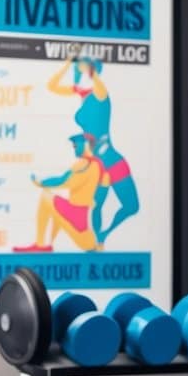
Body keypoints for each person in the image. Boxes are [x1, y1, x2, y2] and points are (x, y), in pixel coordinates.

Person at [46, 53, 140, 243]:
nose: (77, 73)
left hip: (111, 159)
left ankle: (104, 234)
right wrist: (67, 63)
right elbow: (52, 86)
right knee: (95, 207)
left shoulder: (101, 95)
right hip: (94, 163)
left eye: (80, 70)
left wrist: (88, 69)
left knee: (131, 206)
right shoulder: (82, 94)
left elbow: (98, 86)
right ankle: (98, 242)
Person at [13, 133, 107, 252]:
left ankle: (42, 245)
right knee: (91, 249)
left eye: (75, 145)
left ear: (86, 145)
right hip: (84, 220)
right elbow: (102, 192)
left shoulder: (84, 164)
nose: (74, 149)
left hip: (73, 215)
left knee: (46, 196)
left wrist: (41, 182)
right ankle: (49, 243)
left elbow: (64, 181)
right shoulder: (99, 166)